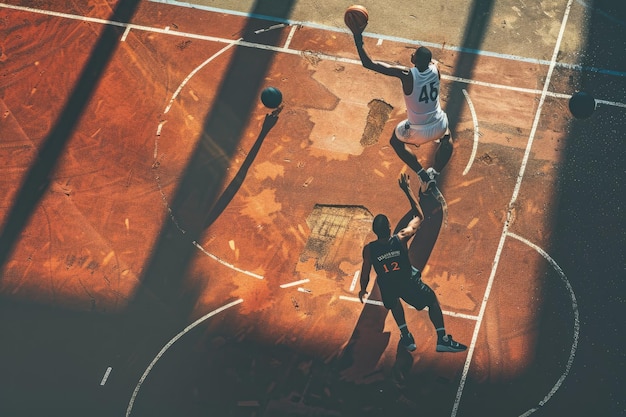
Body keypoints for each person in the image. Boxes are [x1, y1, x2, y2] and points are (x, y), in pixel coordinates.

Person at [358, 173, 466, 353]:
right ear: (390, 228)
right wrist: (407, 190)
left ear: (375, 231)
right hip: (408, 282)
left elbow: (365, 273)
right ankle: (442, 339)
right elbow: (419, 216)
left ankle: (406, 335)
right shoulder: (400, 238)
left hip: (387, 285)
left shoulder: (369, 249)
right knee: (431, 301)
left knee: (393, 304)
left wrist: (362, 288)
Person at [352, 31, 453, 194]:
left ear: (416, 60)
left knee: (395, 142)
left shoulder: (406, 75)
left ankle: (422, 175)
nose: (411, 54)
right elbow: (434, 62)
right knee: (447, 140)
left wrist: (358, 38)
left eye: (414, 54)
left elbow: (368, 63)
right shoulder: (436, 69)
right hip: (439, 125)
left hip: (417, 131)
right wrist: (427, 60)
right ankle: (435, 172)